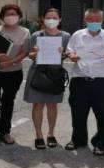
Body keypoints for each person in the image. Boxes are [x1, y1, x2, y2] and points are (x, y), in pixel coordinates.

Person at [65, 8, 104, 157]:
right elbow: (69, 51)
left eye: (97, 20)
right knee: (78, 113)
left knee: (103, 114)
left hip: (101, 80)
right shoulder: (77, 35)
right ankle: (78, 140)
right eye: (90, 20)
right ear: (85, 20)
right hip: (79, 80)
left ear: (102, 21)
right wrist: (72, 55)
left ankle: (102, 144)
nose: (94, 23)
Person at [0, 4, 30, 147]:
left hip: (13, 72)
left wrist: (11, 62)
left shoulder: (25, 32)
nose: (11, 17)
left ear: (19, 16)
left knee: (8, 102)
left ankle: (5, 131)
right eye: (7, 14)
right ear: (2, 17)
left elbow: (25, 51)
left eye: (14, 14)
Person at [24, 8, 71, 150]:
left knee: (52, 105)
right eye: (48, 17)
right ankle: (38, 135)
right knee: (37, 104)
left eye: (55, 17)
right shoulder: (36, 35)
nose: (51, 20)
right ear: (43, 19)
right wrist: (35, 53)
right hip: (38, 72)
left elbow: (68, 53)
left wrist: (63, 53)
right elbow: (30, 54)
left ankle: (51, 133)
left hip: (55, 74)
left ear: (60, 20)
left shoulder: (65, 36)